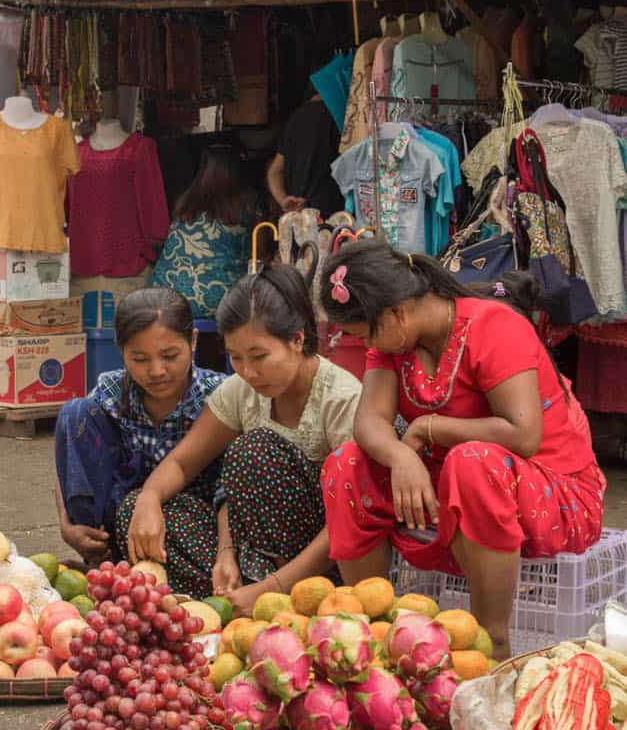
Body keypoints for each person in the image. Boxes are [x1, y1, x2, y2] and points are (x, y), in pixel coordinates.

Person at [319, 240, 605, 659]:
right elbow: (369, 421)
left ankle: (492, 643)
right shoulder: (392, 343)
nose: (362, 345)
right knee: (345, 464)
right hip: (457, 484)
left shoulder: (494, 327)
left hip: (553, 489)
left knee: (471, 461)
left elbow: (523, 434)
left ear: (396, 313)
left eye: (363, 333)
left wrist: (427, 427)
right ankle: (372, 628)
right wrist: (401, 455)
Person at [125, 262, 361, 615]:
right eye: (235, 358)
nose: (248, 372)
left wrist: (274, 586)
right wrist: (149, 498)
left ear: (297, 339)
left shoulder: (341, 398)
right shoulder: (241, 391)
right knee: (136, 512)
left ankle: (267, 597)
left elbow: (349, 521)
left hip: (325, 565)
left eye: (259, 356)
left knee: (255, 451)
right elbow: (182, 462)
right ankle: (235, 597)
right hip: (251, 556)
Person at [55, 288, 226, 596]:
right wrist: (67, 525)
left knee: (143, 506)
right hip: (124, 522)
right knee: (75, 414)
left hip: (194, 528)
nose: (157, 371)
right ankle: (102, 558)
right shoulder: (111, 390)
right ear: (121, 352)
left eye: (170, 356)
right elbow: (69, 460)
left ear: (194, 341)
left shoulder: (218, 396)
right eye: (140, 359)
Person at [149, 144, 253, 319]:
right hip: (213, 302)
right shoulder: (242, 213)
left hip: (163, 297)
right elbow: (255, 257)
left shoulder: (184, 206)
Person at [267, 86, 343, 218]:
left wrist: (284, 200)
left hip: (297, 218)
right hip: (331, 217)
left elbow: (274, 171)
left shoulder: (295, 118)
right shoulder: (338, 115)